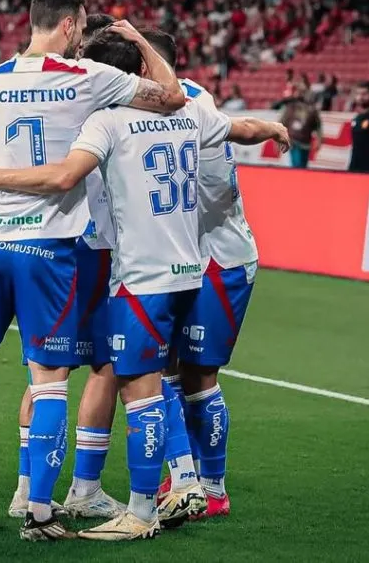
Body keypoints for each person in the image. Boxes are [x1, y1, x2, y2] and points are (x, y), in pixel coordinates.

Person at [0, 28, 289, 541]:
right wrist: (275, 127)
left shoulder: (107, 120)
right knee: (167, 380)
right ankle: (189, 482)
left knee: (132, 388)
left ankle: (141, 511)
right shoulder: (191, 108)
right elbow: (241, 127)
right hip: (190, 270)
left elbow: (61, 178)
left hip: (136, 274)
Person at [0, 0, 186, 541]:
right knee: (50, 385)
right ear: (71, 27)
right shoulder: (88, 78)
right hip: (47, 248)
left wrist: (1, 178)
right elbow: (172, 96)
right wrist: (138, 38)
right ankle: (40, 513)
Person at [142, 28, 267, 518]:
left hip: (219, 258)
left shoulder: (189, 105)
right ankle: (186, 477)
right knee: (168, 370)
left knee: (197, 376)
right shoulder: (188, 103)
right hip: (184, 258)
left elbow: (207, 194)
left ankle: (210, 489)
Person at [9, 11, 126, 521]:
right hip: (92, 249)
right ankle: (83, 488)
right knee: (105, 366)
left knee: (44, 373)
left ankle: (25, 487)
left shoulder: (56, 97)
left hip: (47, 243)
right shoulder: (107, 107)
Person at [279, 96, 322, 168]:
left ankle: (300, 177)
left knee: (303, 165)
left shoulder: (312, 110)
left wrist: (319, 140)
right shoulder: (290, 108)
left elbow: (318, 126)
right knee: (297, 165)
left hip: (306, 143)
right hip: (294, 141)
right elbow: (282, 124)